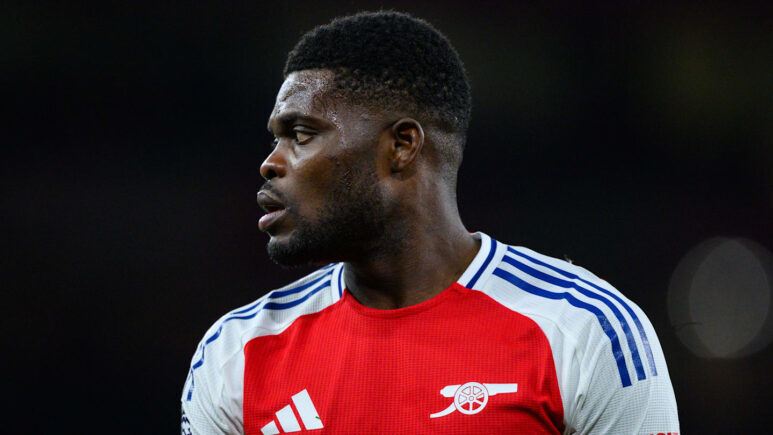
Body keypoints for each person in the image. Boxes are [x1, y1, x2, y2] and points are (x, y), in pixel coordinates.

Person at [181, 11, 679, 435]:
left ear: (402, 146)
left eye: (301, 134)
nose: (271, 163)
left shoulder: (587, 332)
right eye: (276, 137)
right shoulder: (236, 356)